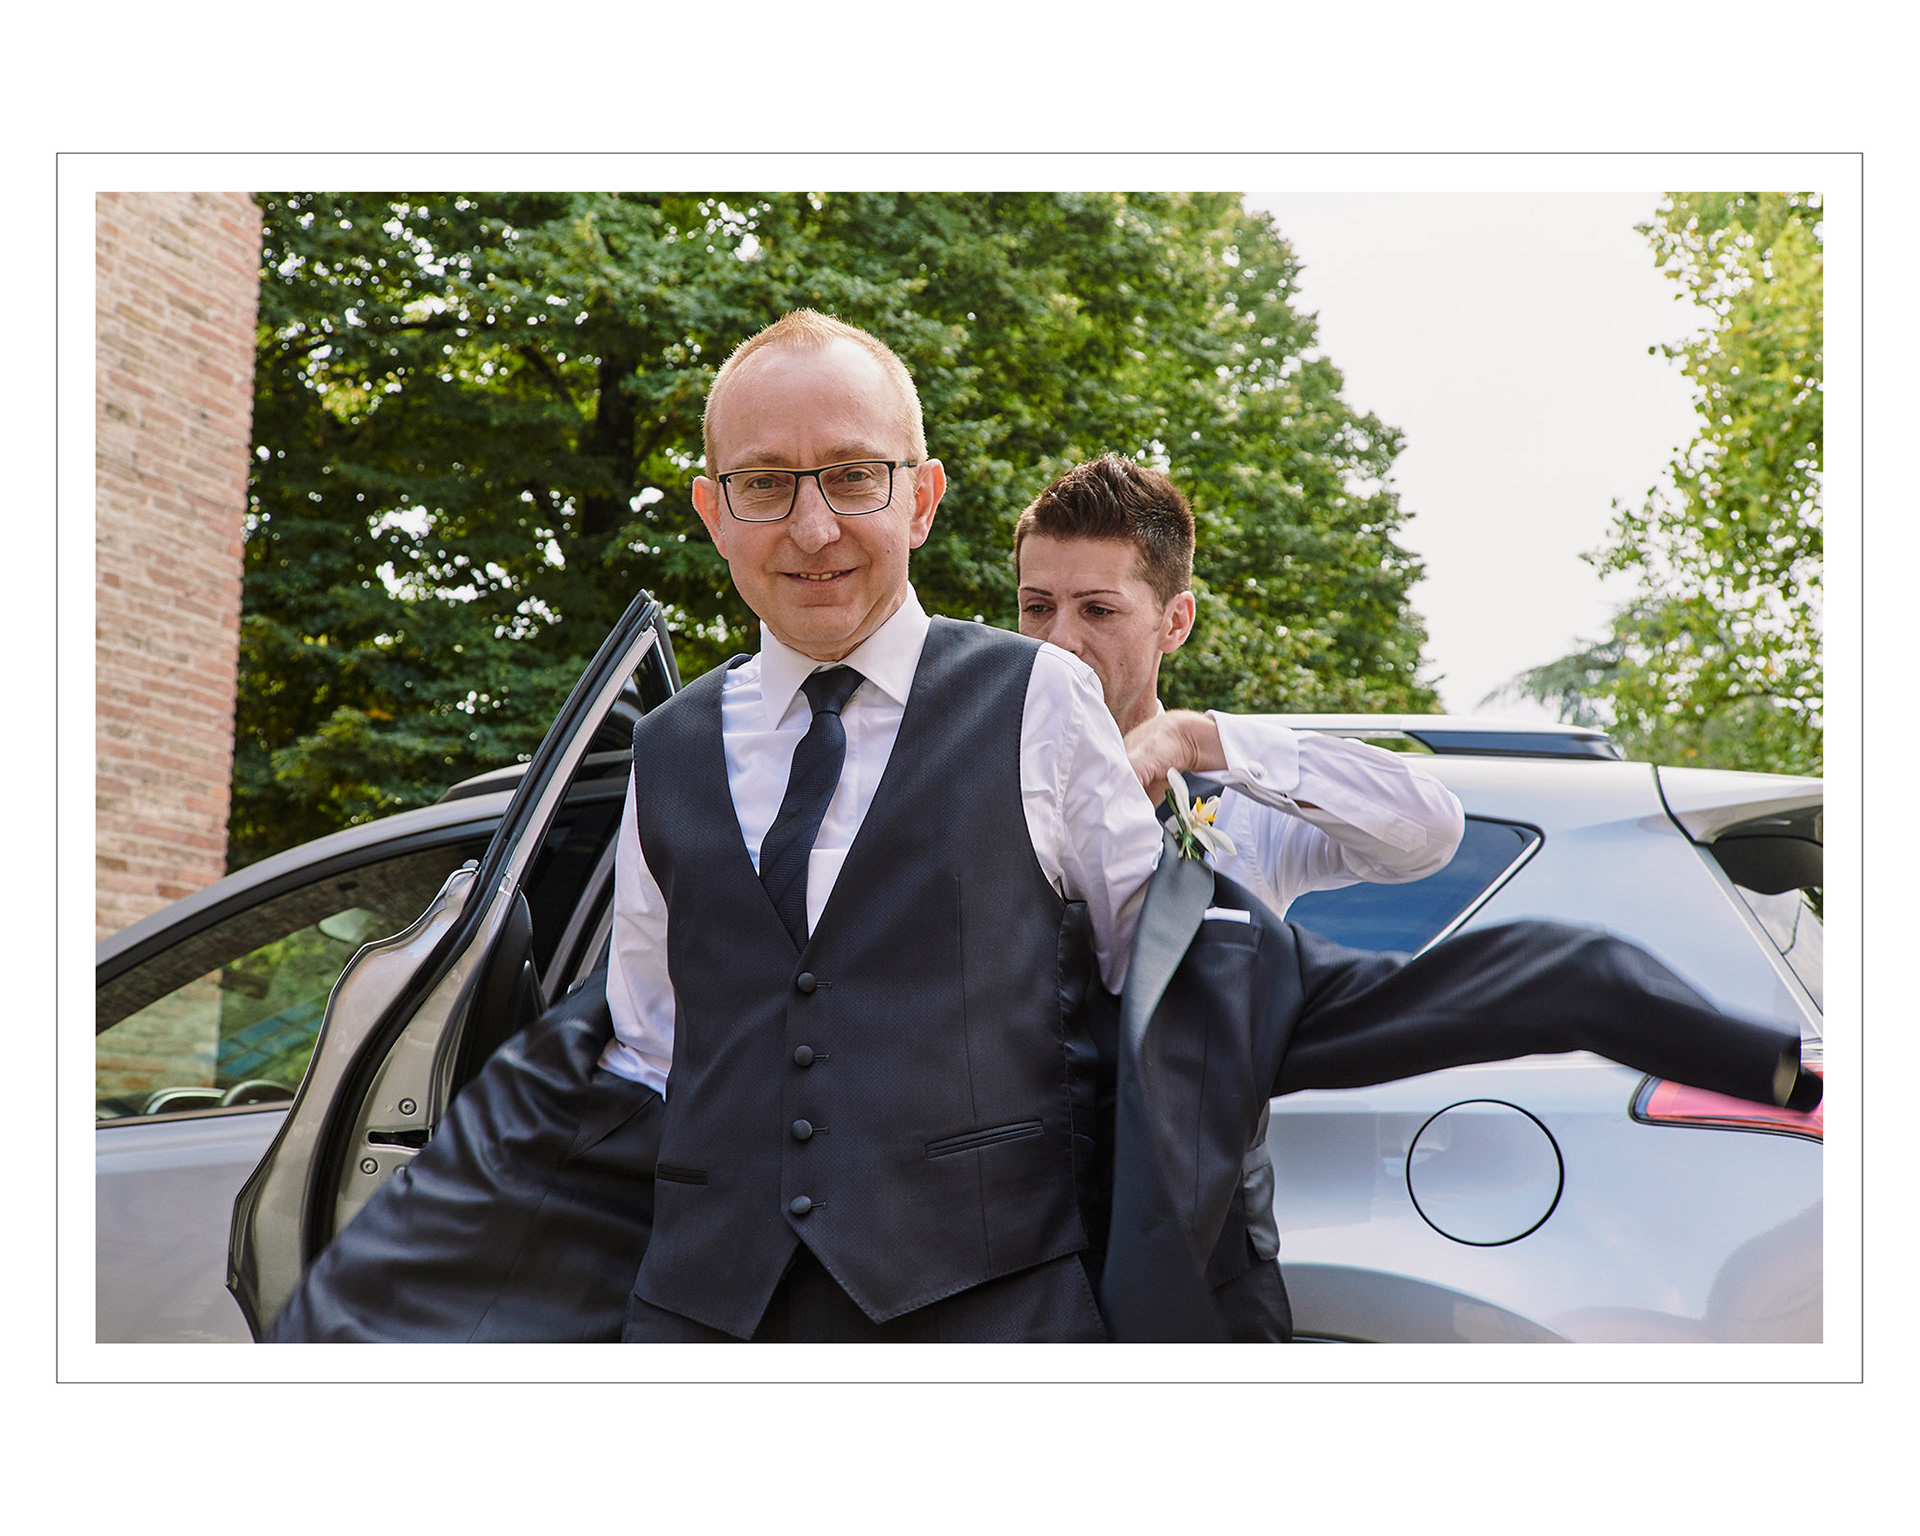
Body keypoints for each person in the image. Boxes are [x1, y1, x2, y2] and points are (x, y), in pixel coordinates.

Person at [268, 311, 1818, 1346]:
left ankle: (1784, 1055)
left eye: (853, 478)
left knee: (1556, 970)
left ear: (922, 494)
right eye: (767, 486)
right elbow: (659, 1055)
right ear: (711, 509)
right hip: (709, 1327)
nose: (813, 526)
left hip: (985, 1318)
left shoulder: (1033, 705)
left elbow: (1153, 997)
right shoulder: (670, 753)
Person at [1013, 452, 1463, 1339]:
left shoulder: (1246, 810)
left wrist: (1198, 740)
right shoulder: (978, 784)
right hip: (1009, 1255)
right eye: (1036, 607)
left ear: (1174, 621)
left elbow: (1429, 830)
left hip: (1206, 1261)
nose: (1059, 642)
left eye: (1098, 610)